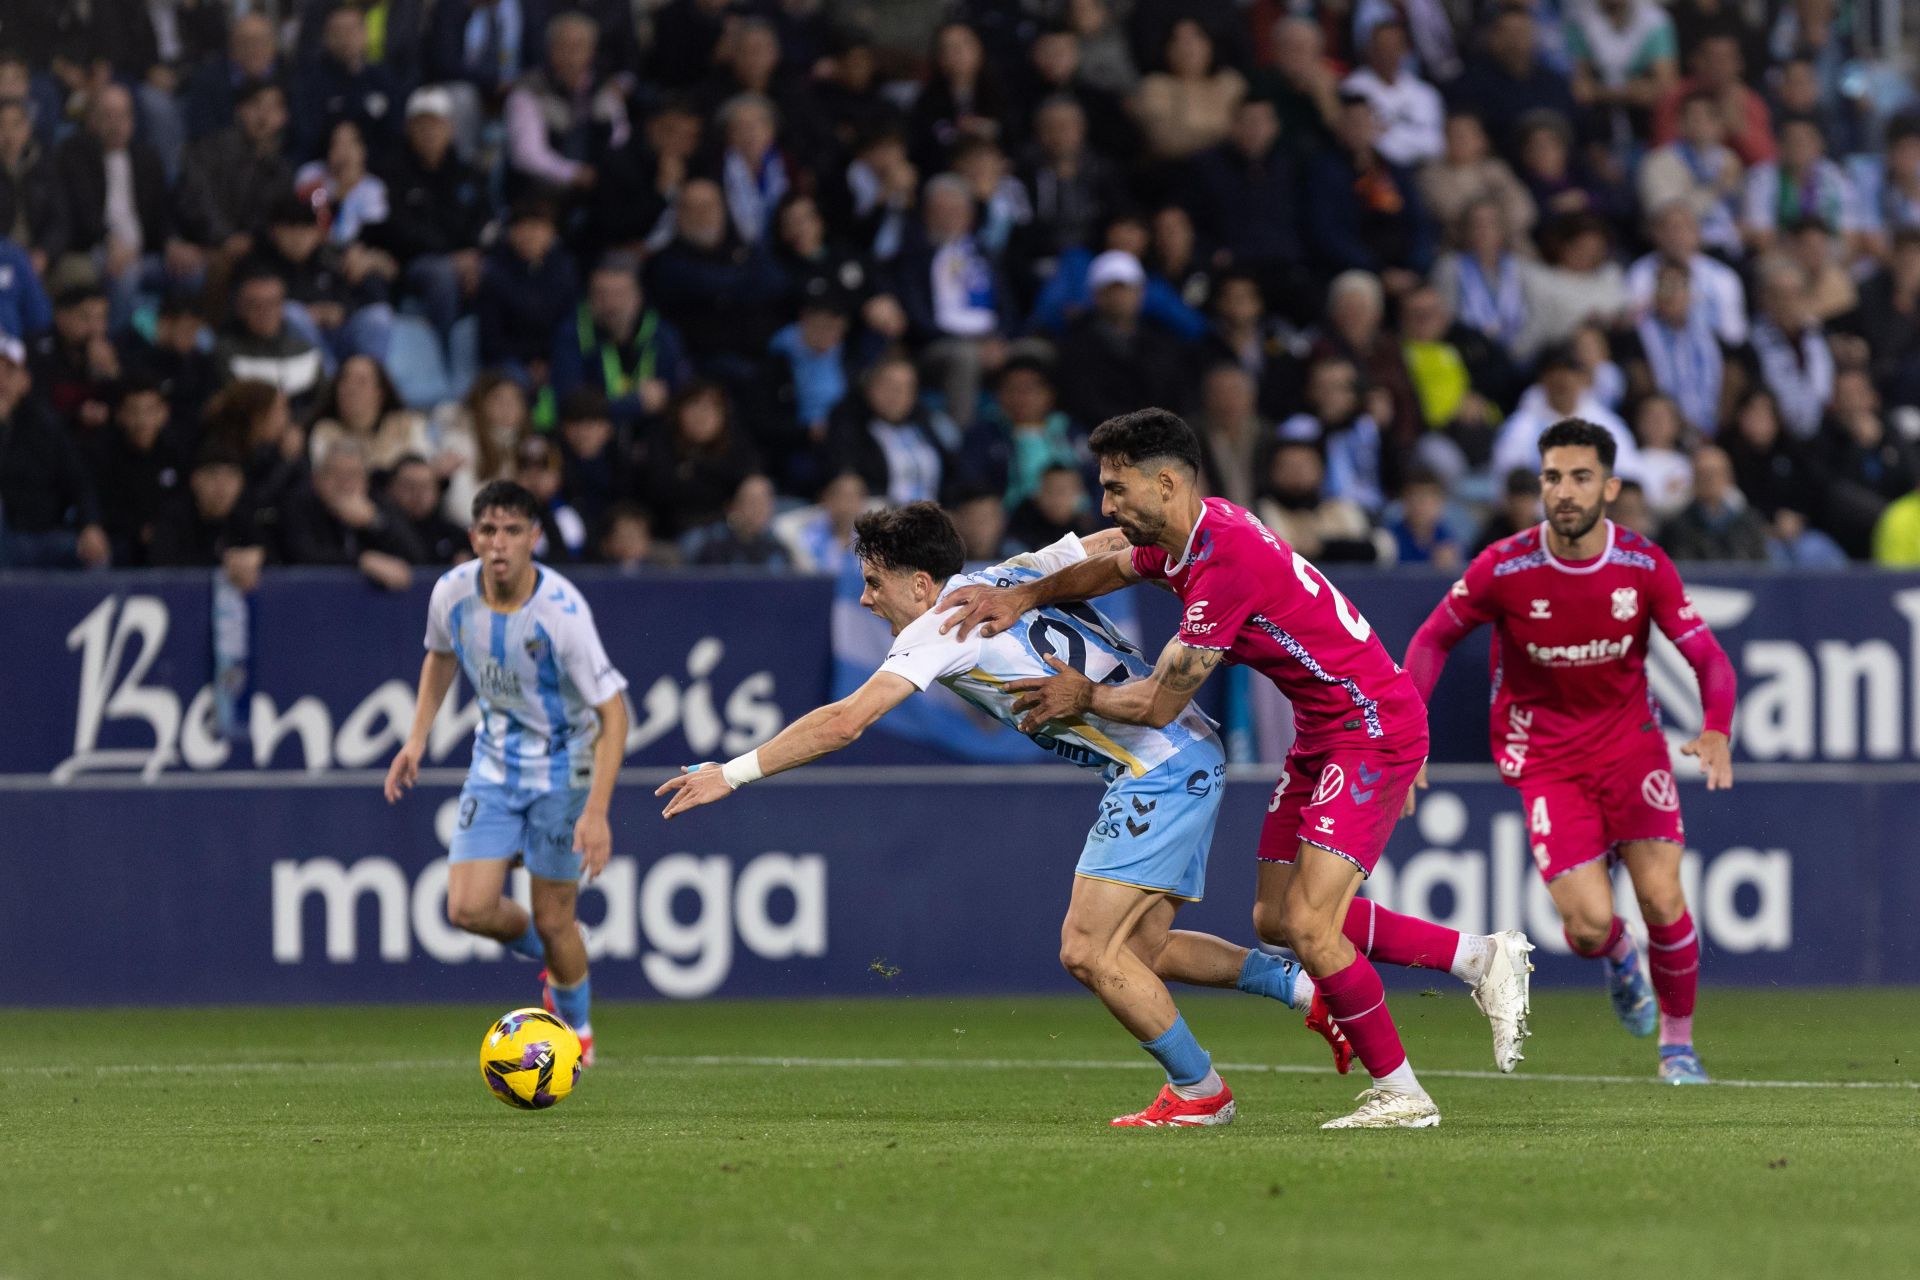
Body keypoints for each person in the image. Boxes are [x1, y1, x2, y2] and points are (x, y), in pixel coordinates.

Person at [656, 503, 1349, 1127]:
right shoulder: (1009, 574)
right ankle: (1303, 990)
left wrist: (734, 772)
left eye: (875, 582)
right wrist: (1212, 537)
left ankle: (1202, 1095)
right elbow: (1109, 539)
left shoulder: (940, 626)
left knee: (1086, 948)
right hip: (1186, 750)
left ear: (922, 584)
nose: (867, 599)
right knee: (1140, 952)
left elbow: (845, 722)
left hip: (1157, 766)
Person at [940, 409, 1534, 1129]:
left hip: (1371, 729)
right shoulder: (1195, 531)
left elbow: (1160, 705)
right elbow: (1111, 566)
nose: (1107, 507)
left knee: (1314, 926)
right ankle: (1478, 958)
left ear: (1165, 483)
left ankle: (1404, 1094)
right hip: (1329, 727)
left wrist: (1084, 694)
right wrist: (1025, 593)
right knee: (1275, 919)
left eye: (1117, 489)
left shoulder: (1226, 564)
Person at [1404, 418, 1737, 1085]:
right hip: (1547, 761)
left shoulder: (1644, 565)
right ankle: (1619, 956)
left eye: (1581, 477)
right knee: (1586, 927)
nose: (1564, 491)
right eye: (1552, 477)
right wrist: (1411, 741)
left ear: (1609, 486)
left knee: (1663, 897)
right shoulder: (1504, 566)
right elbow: (1432, 641)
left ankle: (1678, 1048)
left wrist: (1717, 726)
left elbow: (1706, 656)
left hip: (1632, 748)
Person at [384, 479, 631, 1068]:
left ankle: (578, 1029)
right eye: (488, 531)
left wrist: (596, 811)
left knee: (554, 917)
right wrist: (416, 738)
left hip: (564, 771)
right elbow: (440, 656)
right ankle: (549, 956)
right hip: (494, 765)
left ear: (534, 539)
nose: (499, 544)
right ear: (474, 537)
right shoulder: (451, 593)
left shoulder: (562, 613)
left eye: (513, 531)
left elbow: (614, 713)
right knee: (466, 909)